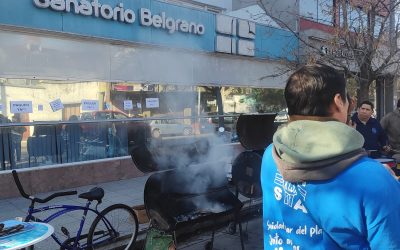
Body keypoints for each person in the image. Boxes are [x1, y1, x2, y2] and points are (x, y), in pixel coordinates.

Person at [261, 64, 400, 249]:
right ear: (338, 101)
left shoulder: (270, 155)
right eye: (347, 99)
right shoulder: (374, 180)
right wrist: (387, 183)